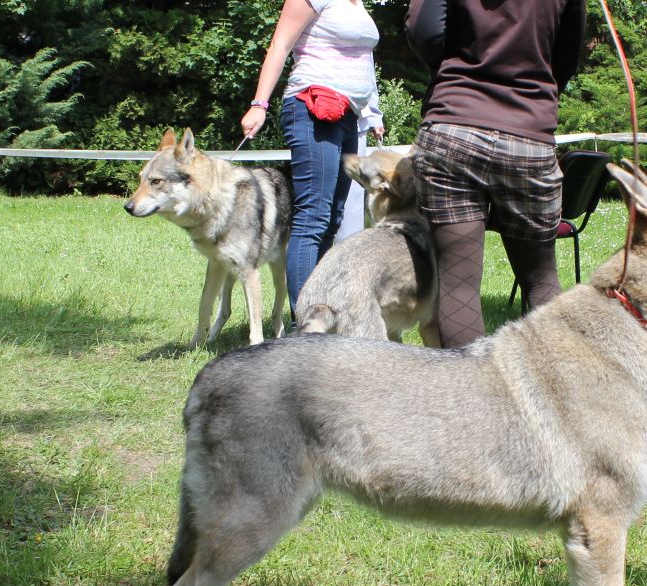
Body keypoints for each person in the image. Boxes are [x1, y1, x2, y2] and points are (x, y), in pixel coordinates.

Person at [405, 0, 587, 348]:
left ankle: (471, 402)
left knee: (458, 283)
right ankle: (560, 396)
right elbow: (567, 53)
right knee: (541, 279)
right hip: (528, 132)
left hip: (453, 127)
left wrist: (457, 69)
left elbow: (423, 31)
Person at [241, 0, 384, 319]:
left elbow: (363, 58)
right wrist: (259, 104)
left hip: (348, 113)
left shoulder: (357, 3)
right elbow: (279, 44)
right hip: (312, 108)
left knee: (333, 216)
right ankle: (305, 323)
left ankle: (321, 311)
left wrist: (373, 112)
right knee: (314, 216)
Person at [337, 97, 384, 241]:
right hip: (319, 117)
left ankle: (350, 253)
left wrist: (375, 118)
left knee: (352, 204)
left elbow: (367, 77)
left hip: (357, 122)